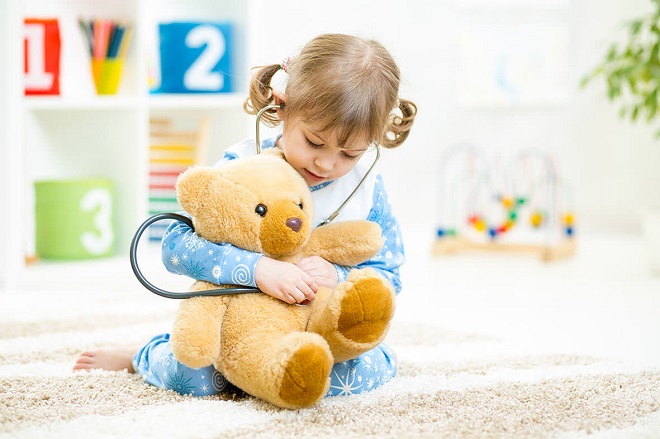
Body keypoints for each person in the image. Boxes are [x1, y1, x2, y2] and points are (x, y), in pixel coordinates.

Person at [74, 33, 417, 398]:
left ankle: (278, 372)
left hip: (315, 327)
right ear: (281, 106)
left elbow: (388, 275)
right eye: (315, 142)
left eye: (350, 154)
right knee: (196, 379)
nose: (327, 163)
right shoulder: (242, 167)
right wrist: (256, 269)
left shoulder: (366, 189)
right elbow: (175, 247)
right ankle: (143, 354)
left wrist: (339, 275)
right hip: (240, 325)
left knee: (352, 374)